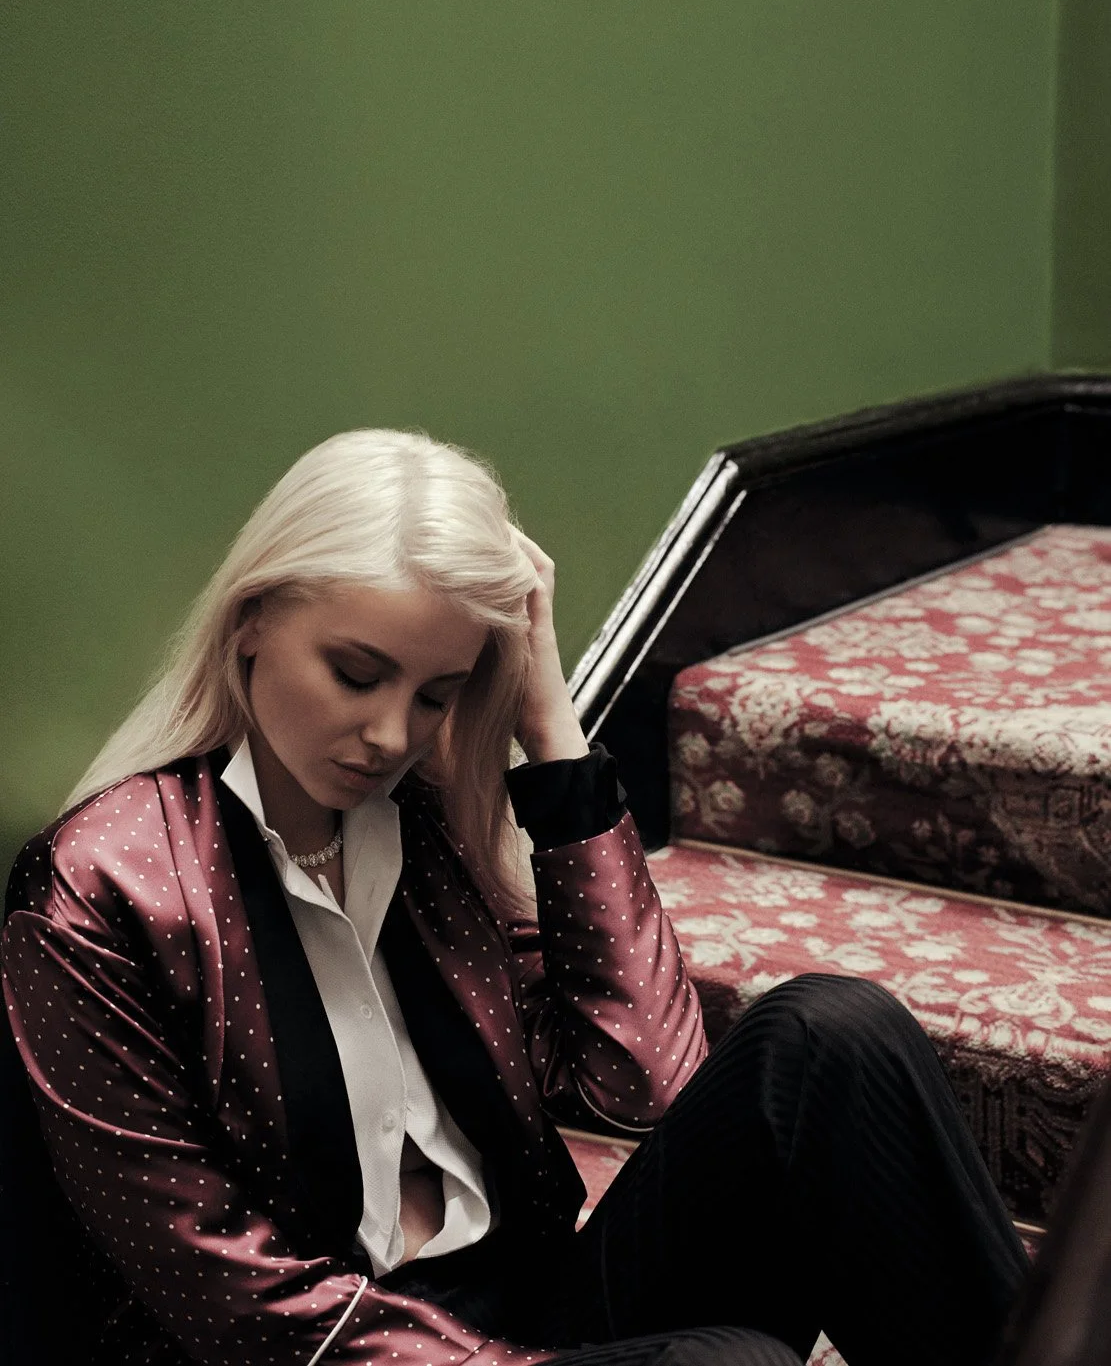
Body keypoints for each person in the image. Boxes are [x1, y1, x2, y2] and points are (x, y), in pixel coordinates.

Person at [1, 429, 1027, 1366]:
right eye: (355, 673)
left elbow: (642, 1085)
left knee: (832, 1032)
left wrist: (551, 732)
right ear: (251, 622)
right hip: (321, 1354)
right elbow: (232, 1302)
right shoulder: (105, 886)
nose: (391, 734)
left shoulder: (427, 823)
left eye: (435, 693)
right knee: (731, 1361)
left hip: (527, 1309)